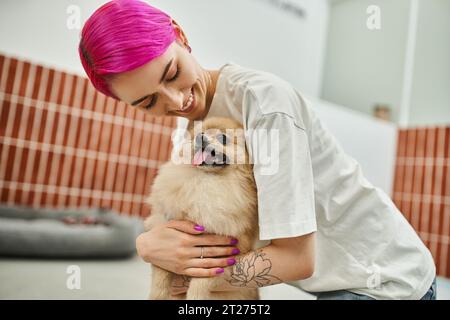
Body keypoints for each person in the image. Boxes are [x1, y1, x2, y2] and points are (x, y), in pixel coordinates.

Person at [78, 0, 436, 300]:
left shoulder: (263, 103)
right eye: (148, 102)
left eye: (172, 74)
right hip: (332, 285)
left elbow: (296, 259)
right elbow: (198, 231)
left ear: (181, 36)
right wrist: (150, 246)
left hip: (387, 282)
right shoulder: (191, 127)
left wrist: (195, 277)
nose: (176, 101)